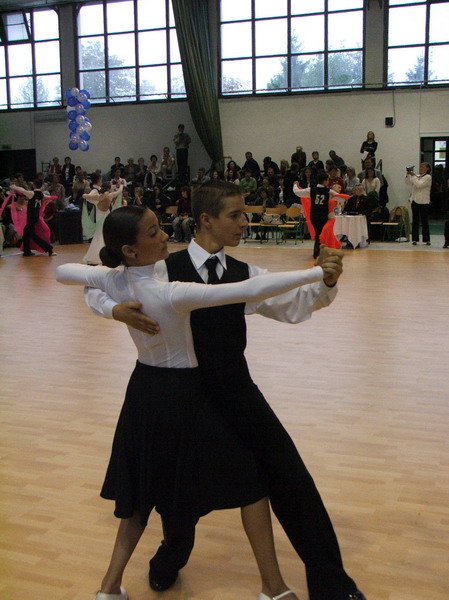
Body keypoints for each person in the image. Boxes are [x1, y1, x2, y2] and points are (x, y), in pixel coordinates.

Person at [86, 181, 367, 600]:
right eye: (235, 215)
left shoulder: (243, 273)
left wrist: (325, 282)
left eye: (244, 214)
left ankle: (332, 585)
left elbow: (293, 306)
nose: (244, 222)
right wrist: (115, 310)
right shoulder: (161, 268)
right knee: (178, 499)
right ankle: (169, 558)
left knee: (291, 476)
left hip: (237, 392)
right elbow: (94, 286)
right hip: (184, 398)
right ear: (207, 220)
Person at [9, 180, 57, 257]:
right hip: (36, 216)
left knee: (32, 235)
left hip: (31, 217)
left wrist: (13, 186)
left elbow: (22, 190)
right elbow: (47, 197)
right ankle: (26, 251)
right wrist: (53, 197)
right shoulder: (41, 194)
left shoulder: (32, 193)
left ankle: (49, 249)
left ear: (34, 185)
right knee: (26, 233)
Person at [82, 181, 123, 265]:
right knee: (105, 234)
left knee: (99, 234)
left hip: (100, 216)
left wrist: (93, 196)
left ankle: (95, 256)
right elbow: (119, 191)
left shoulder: (98, 197)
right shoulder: (110, 195)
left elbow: (84, 196)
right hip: (106, 216)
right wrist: (121, 185)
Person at [405, 163, 432, 245]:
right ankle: (415, 239)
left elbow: (419, 185)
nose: (421, 168)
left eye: (423, 167)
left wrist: (413, 176)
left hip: (424, 201)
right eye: (420, 167)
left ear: (427, 168)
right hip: (415, 200)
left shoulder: (428, 177)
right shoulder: (417, 176)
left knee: (424, 221)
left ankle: (426, 239)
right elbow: (408, 183)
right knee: (415, 221)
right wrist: (408, 175)